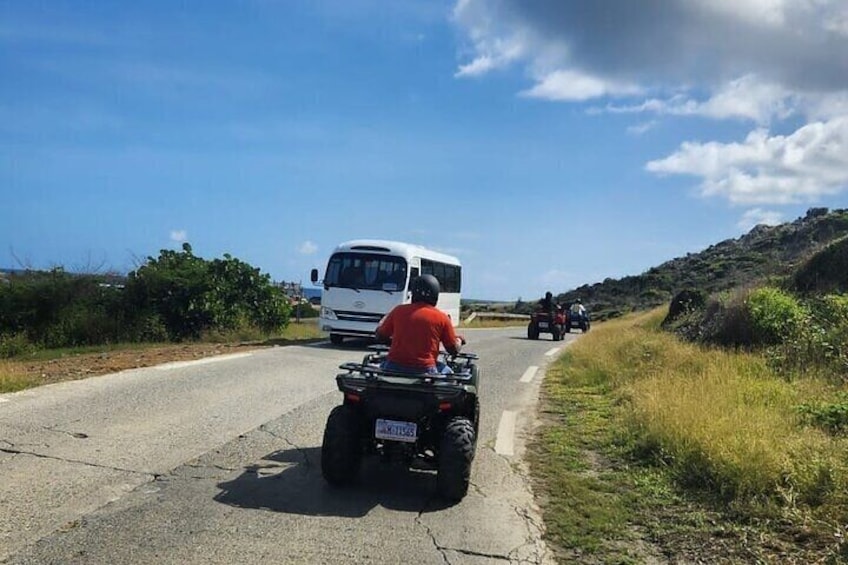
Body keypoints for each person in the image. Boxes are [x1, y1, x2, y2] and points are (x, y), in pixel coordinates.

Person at [375, 274, 464, 374]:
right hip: (425, 369)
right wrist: (459, 340)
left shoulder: (398, 311)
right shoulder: (442, 318)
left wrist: (382, 324)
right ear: (435, 294)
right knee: (450, 373)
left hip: (393, 367)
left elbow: (380, 337)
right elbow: (452, 349)